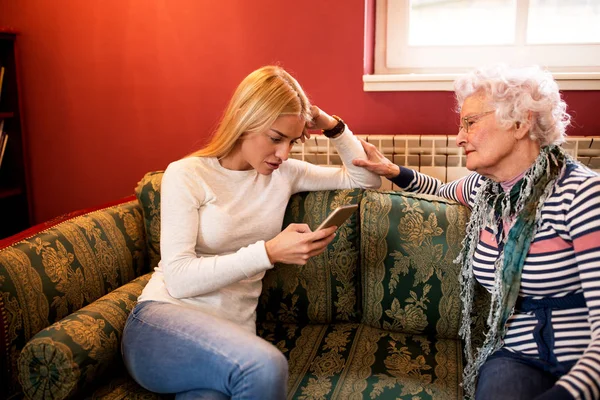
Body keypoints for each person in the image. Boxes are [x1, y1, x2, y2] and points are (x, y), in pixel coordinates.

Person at [121, 65, 381, 400]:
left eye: (292, 140)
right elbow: (179, 278)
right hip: (163, 323)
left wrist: (329, 125)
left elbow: (365, 179)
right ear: (244, 119)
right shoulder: (187, 174)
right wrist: (268, 252)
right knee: (265, 367)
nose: (283, 153)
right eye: (275, 138)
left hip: (231, 338)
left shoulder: (284, 174)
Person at [352, 64, 600, 400]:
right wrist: (393, 170)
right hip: (518, 355)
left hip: (583, 362)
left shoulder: (583, 194)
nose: (459, 137)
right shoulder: (484, 188)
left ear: (521, 121)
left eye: (470, 123)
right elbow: (439, 190)